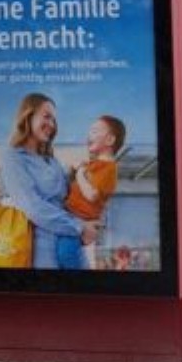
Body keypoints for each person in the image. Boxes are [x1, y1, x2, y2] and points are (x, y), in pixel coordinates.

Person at [0, 92, 97, 269]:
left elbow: (63, 195)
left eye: (54, 120)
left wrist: (75, 173)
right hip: (40, 252)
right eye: (47, 116)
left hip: (70, 244)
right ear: (28, 115)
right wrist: (79, 227)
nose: (52, 124)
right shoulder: (12, 156)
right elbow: (32, 206)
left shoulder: (50, 160)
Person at [55, 115, 126, 270]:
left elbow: (92, 194)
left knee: (65, 254)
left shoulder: (109, 167)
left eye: (94, 131)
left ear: (110, 140)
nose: (88, 135)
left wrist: (80, 172)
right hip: (71, 216)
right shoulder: (92, 164)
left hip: (80, 219)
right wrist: (75, 170)